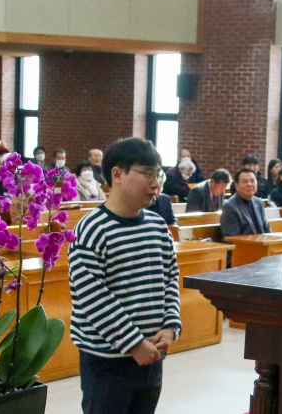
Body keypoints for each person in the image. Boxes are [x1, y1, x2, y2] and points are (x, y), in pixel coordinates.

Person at [68, 137, 181, 414]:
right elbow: (93, 297)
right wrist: (133, 343)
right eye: (147, 174)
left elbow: (170, 278)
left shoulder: (157, 226)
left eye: (158, 175)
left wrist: (170, 326)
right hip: (107, 361)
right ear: (117, 174)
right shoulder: (91, 230)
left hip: (151, 353)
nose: (155, 184)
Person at [220, 168, 270, 237]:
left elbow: (267, 230)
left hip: (262, 241)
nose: (249, 184)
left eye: (252, 181)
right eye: (245, 181)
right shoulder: (229, 207)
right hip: (244, 243)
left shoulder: (259, 203)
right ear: (236, 185)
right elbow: (232, 237)